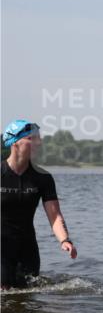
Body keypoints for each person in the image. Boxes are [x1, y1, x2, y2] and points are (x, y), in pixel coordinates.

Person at [2, 120, 77, 289]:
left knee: (28, 298)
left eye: (39, 138)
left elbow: (55, 215)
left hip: (28, 249)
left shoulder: (42, 177)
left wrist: (65, 240)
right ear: (15, 142)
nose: (39, 142)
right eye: (32, 138)